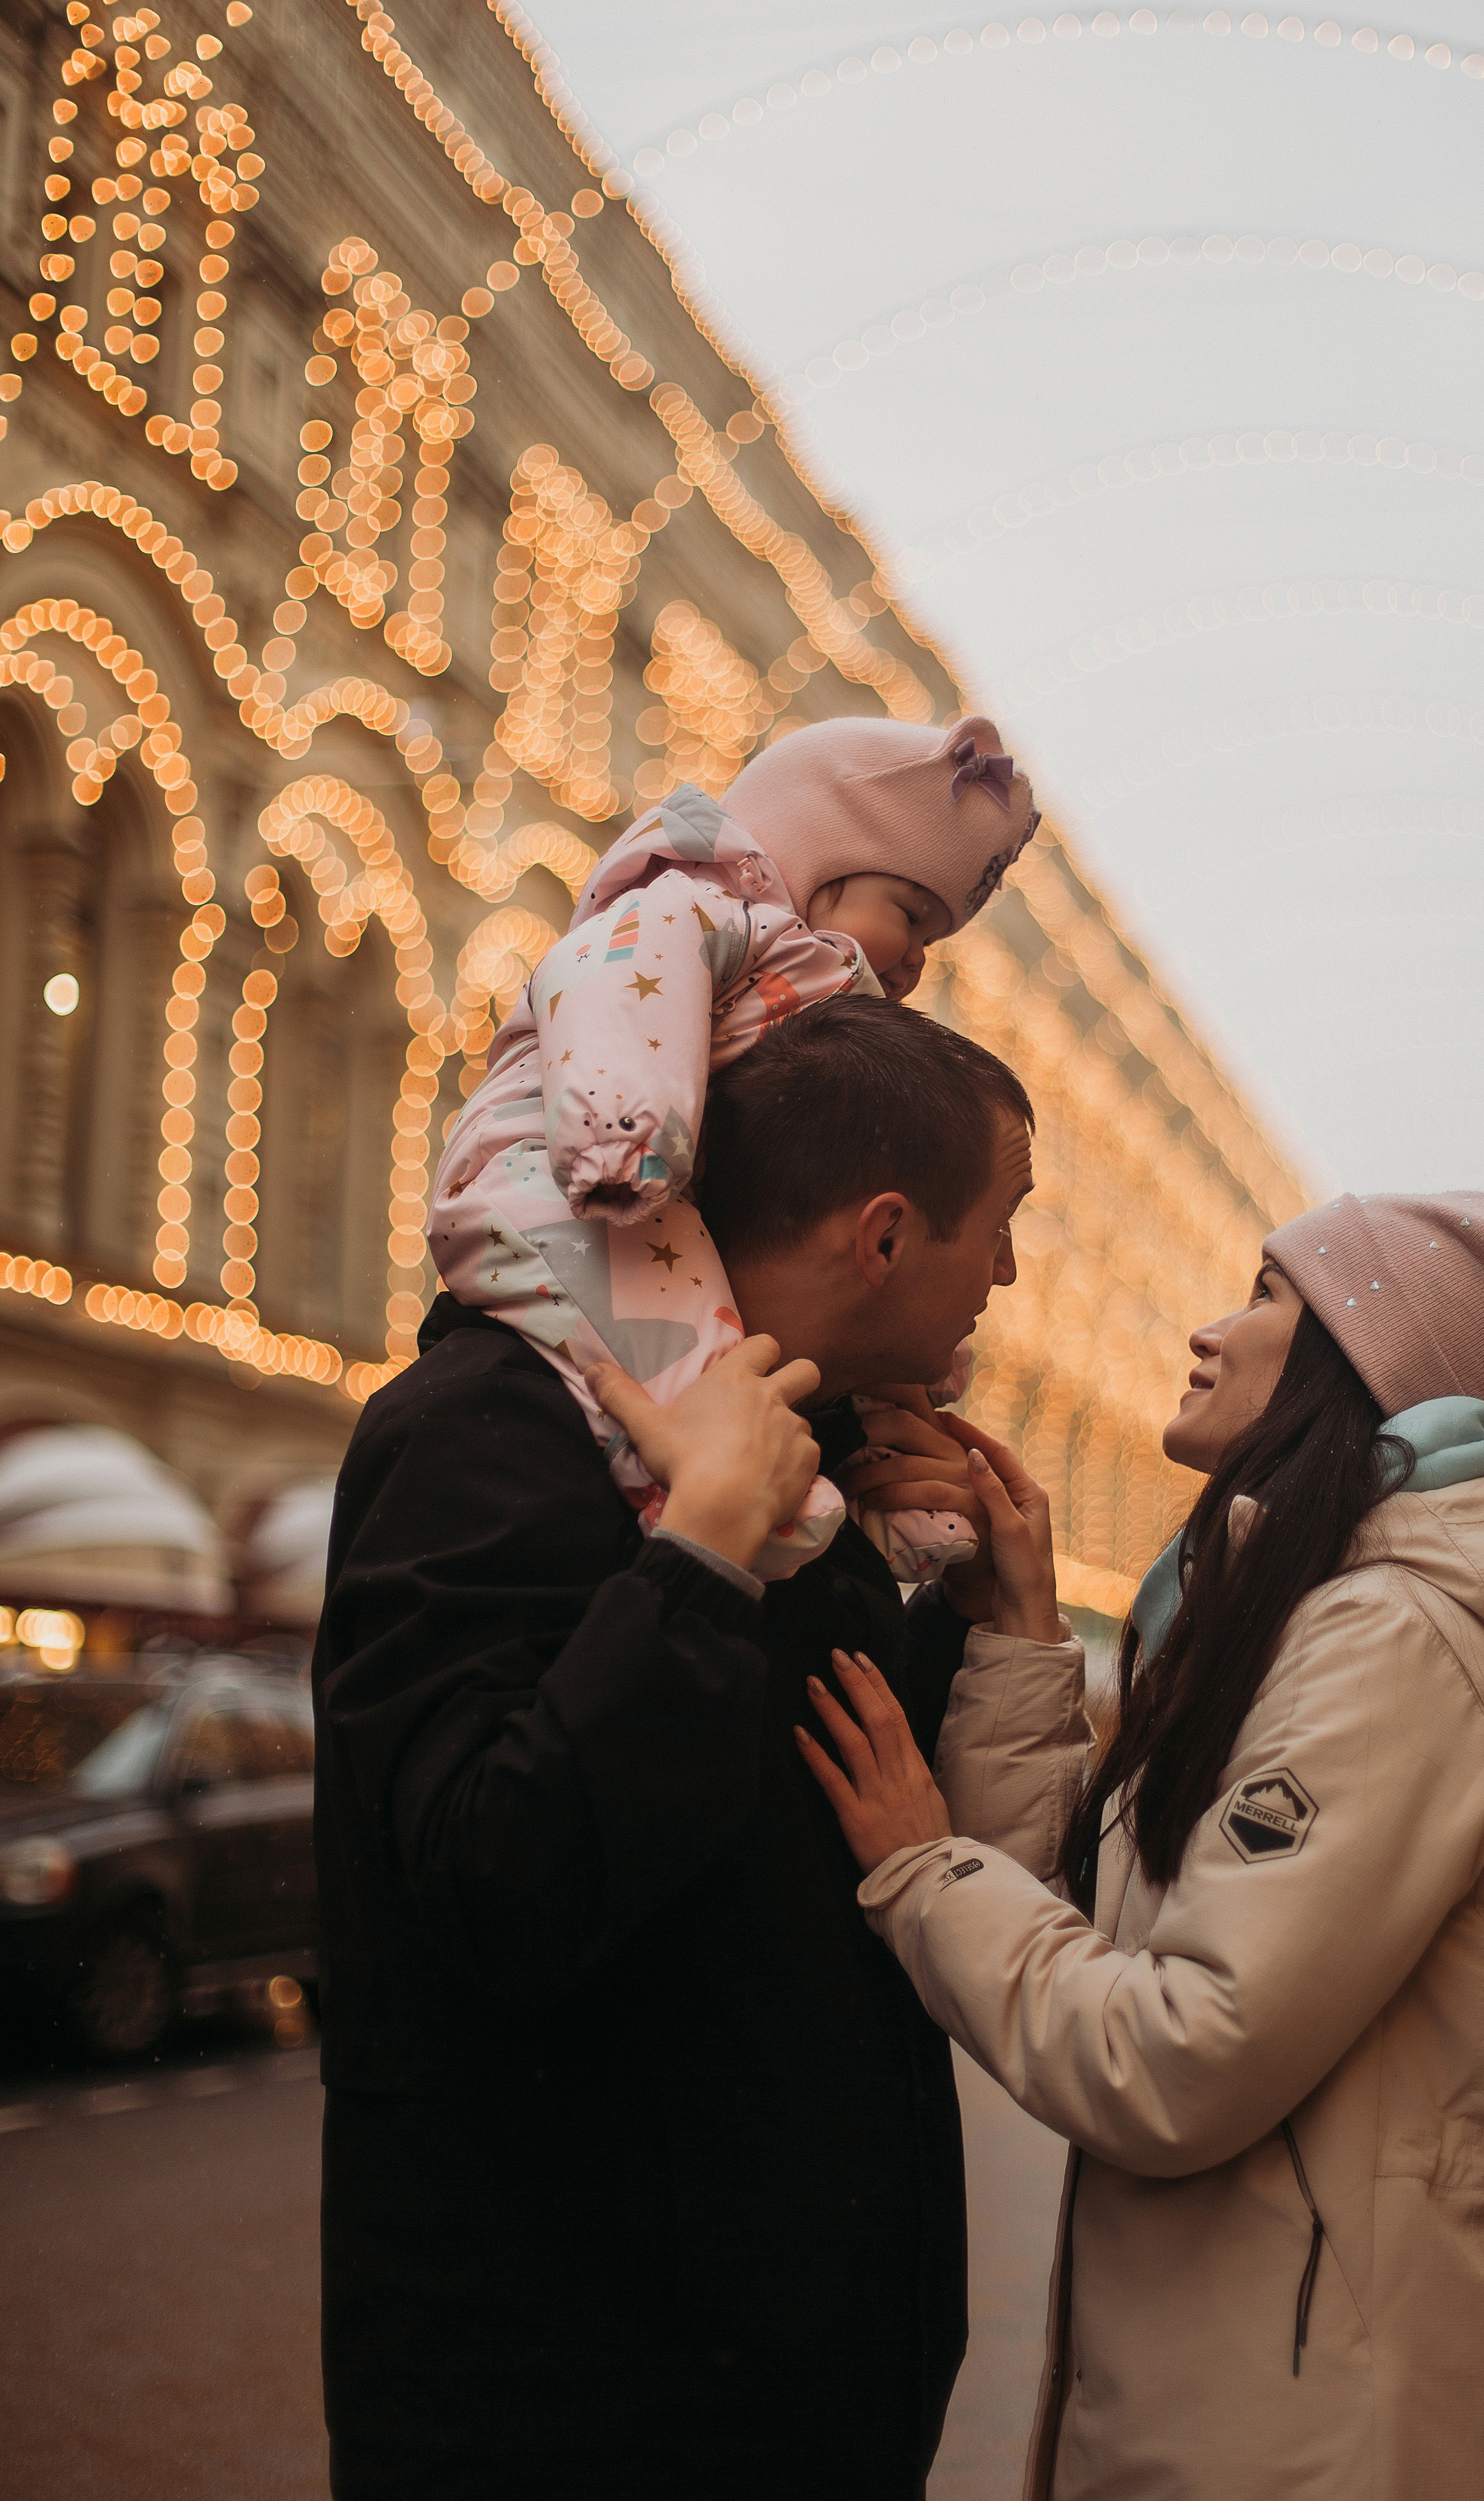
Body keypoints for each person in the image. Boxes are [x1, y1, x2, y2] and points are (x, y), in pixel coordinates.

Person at [314, 995, 1090, 2501]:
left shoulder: (822, 1484)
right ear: (880, 1234)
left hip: (787, 2401)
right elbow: (491, 1878)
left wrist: (1001, 1614)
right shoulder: (488, 1425)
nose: (1005, 1270)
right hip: (582, 2413)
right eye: (1000, 1223)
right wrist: (701, 1557)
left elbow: (895, 1876)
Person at [798, 1190, 1484, 2501]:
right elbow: (1081, 1936)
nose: (1207, 1332)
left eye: (1260, 1297)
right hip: (1249, 2392)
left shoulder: (1393, 1649)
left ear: (1359, 1364)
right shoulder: (1296, 1622)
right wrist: (1020, 1625)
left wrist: (921, 1866)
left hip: (1326, 2432)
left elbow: (1172, 2055)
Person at [427, 713, 1038, 1582]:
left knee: (782, 1325)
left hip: (652, 1183)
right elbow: (605, 984)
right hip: (559, 1171)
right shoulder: (689, 909)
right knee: (668, 1331)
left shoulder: (798, 971)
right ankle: (738, 1500)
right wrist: (623, 1128)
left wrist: (919, 1344)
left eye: (932, 941)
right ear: (821, 860)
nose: (914, 964)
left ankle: (907, 1499)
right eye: (909, 915)